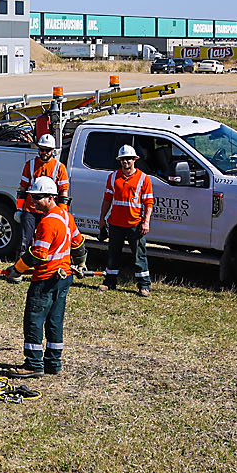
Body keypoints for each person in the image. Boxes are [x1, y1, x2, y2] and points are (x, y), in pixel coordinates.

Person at [14, 176, 86, 375]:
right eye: (33, 197)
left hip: (45, 280)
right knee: (55, 320)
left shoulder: (47, 223)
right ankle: (53, 363)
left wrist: (17, 269)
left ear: (50, 198)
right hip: (64, 278)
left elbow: (38, 254)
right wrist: (80, 263)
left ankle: (33, 365)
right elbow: (78, 244)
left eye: (37, 198)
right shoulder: (66, 217)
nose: (33, 201)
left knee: (34, 319)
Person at [10, 134, 70, 278]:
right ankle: (19, 271)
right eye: (42, 149)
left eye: (47, 150)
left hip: (49, 212)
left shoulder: (59, 167)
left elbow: (64, 192)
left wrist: (61, 212)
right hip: (30, 210)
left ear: (53, 151)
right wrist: (19, 209)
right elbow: (22, 189)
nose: (44, 153)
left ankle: (45, 269)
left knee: (45, 242)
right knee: (24, 241)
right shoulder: (29, 165)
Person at [99, 144, 155, 296]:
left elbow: (148, 202)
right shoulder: (113, 177)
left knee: (139, 256)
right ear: (119, 160)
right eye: (123, 159)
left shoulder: (144, 179)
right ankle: (109, 282)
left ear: (135, 159)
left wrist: (146, 221)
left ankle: (144, 285)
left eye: (129, 159)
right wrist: (102, 218)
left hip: (135, 225)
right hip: (115, 224)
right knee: (113, 254)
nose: (126, 162)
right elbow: (107, 199)